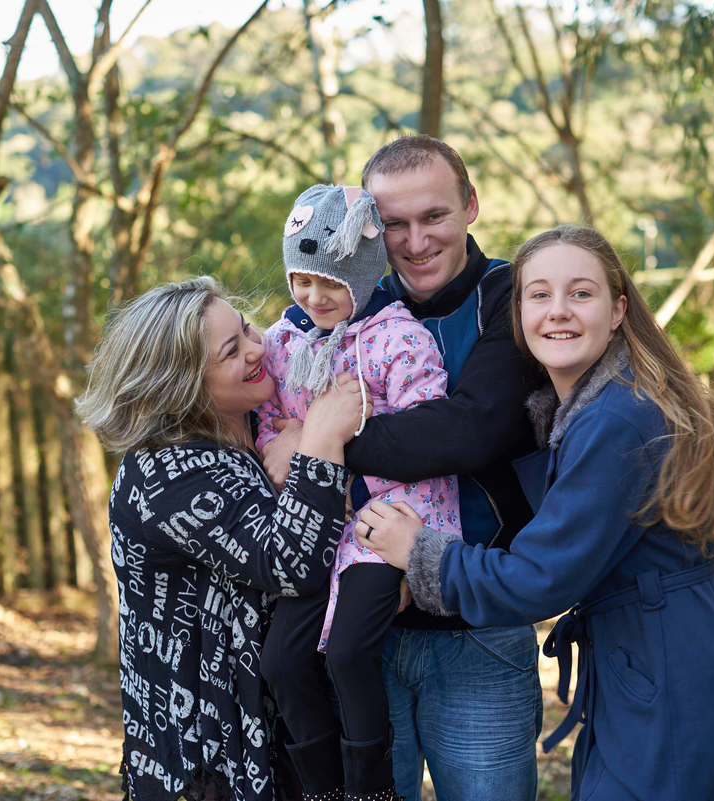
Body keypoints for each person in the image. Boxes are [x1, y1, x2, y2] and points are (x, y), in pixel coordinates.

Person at [356, 224, 714, 801]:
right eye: (539, 295)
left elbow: (539, 577)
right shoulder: (598, 405)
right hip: (651, 661)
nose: (558, 310)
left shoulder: (617, 419)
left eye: (581, 293)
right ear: (519, 315)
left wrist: (420, 551)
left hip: (676, 674)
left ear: (618, 310)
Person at [260, 136, 543, 801]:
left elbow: (468, 430)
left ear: (471, 206)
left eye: (434, 216)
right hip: (360, 622)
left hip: (476, 623)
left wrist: (317, 441)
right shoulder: (345, 300)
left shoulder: (509, 297)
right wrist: (305, 434)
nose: (416, 241)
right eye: (394, 224)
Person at [74, 276, 368, 801]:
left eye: (247, 329)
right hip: (209, 759)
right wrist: (322, 436)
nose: (258, 347)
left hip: (277, 731)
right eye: (232, 351)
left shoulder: (254, 427)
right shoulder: (165, 473)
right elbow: (290, 564)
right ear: (181, 386)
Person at [255, 184, 461, 801]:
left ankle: (371, 788)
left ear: (365, 274)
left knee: (347, 652)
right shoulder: (282, 341)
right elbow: (271, 432)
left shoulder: (398, 338)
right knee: (282, 660)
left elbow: (426, 431)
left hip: (387, 521)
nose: (314, 297)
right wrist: (298, 444)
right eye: (302, 280)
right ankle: (321, 788)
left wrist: (342, 457)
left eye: (331, 282)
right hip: (315, 524)